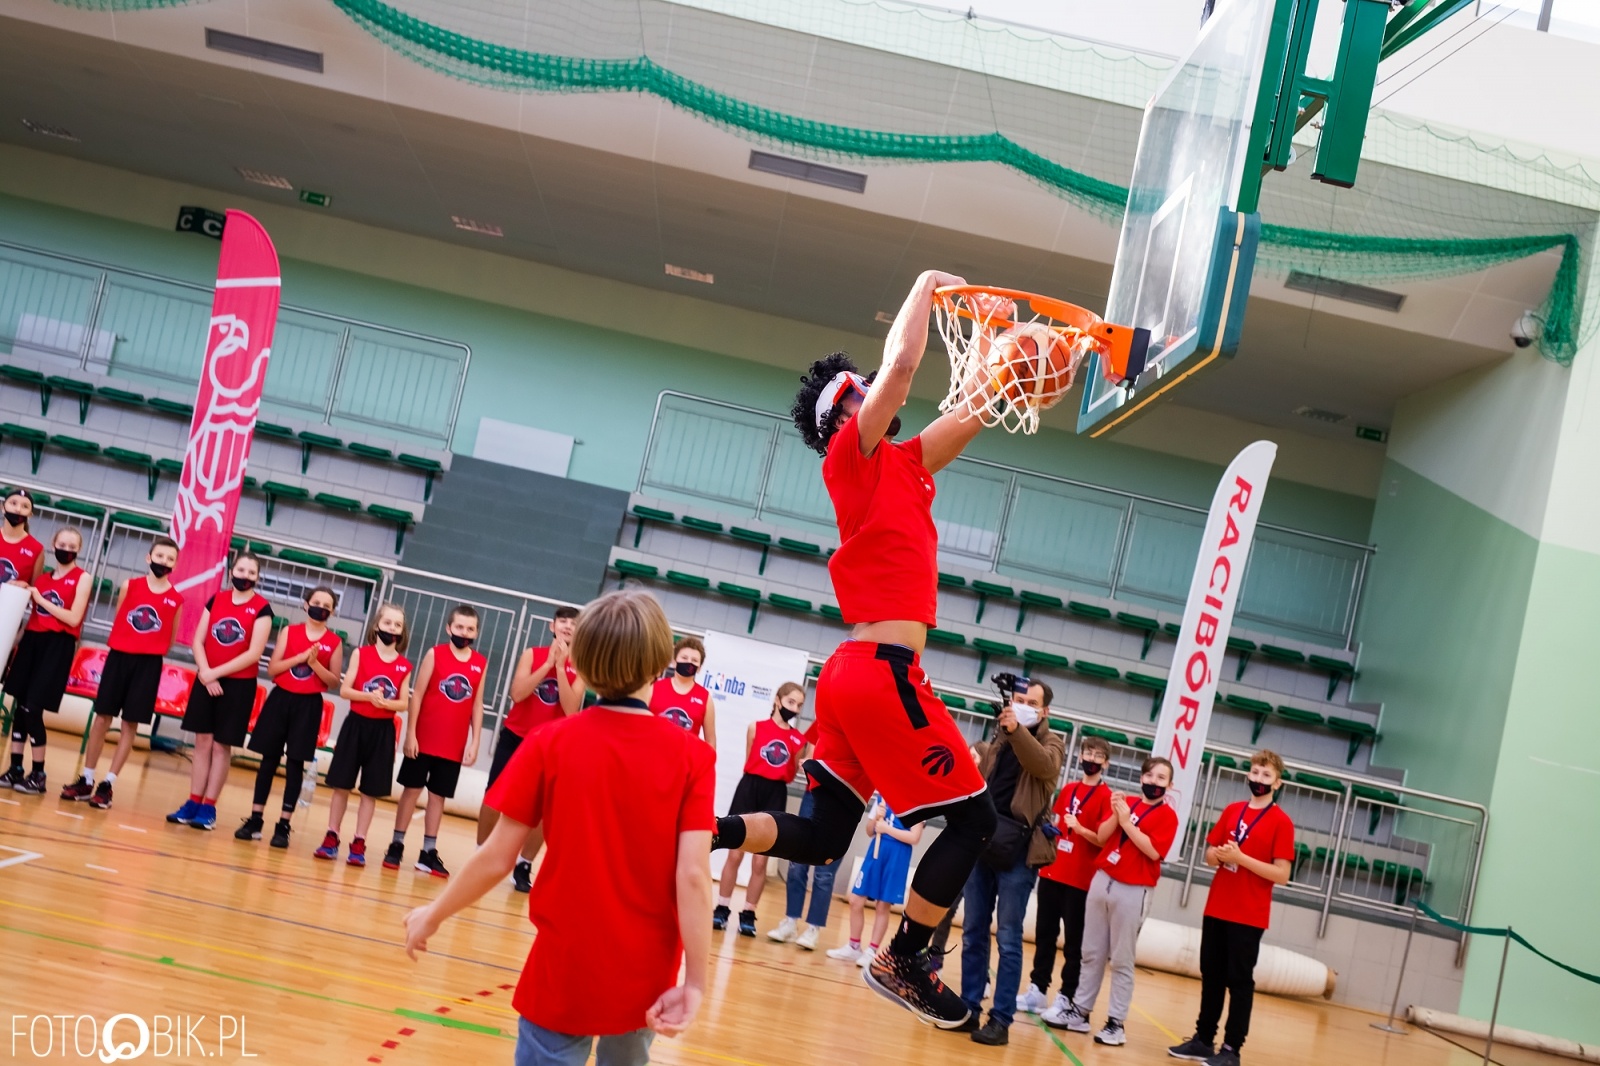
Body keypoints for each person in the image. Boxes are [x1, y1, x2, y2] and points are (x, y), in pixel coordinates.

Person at [710, 269, 999, 1029]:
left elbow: (975, 407)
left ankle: (707, 831)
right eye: (857, 392)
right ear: (843, 413)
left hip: (852, 674)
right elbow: (901, 367)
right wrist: (927, 285)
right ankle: (904, 956)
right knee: (975, 819)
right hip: (879, 673)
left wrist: (1014, 350)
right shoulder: (848, 457)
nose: (872, 392)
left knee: (822, 837)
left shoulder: (905, 465)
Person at [402, 589, 714, 1066]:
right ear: (661, 665)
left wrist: (433, 914)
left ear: (580, 664)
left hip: (565, 963)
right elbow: (692, 876)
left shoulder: (550, 742)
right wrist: (695, 982)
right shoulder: (694, 757)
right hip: (646, 971)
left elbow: (495, 857)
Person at [1168, 751, 1296, 1066]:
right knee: (1211, 975)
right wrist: (1221, 855)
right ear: (1248, 775)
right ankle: (1203, 1040)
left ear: (1277, 783)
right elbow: (1209, 855)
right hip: (1217, 907)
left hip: (1248, 914)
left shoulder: (1281, 822)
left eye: (1266, 775)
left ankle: (1231, 1050)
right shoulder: (1232, 810)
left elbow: (1282, 874)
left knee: (1239, 982)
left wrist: (1241, 859)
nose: (1259, 779)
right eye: (1255, 773)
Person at [958, 678, 1066, 1046]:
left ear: (1044, 711)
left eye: (1031, 702)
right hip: (984, 839)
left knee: (1008, 937)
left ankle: (1001, 1018)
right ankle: (969, 1007)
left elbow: (1042, 766)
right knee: (973, 929)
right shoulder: (1000, 738)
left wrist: (1016, 730)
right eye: (1018, 699)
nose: (1022, 705)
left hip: (1020, 851)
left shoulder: (1053, 743)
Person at [1057, 756, 1179, 1047]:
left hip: (1134, 889)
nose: (1154, 782)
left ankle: (1116, 1022)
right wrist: (1116, 812)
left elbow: (1153, 851)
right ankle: (1080, 1010)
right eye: (1150, 776)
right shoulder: (1128, 804)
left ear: (1170, 785)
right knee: (1091, 952)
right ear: (1141, 778)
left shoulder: (1168, 816)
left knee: (1122, 959)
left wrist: (1127, 823)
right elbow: (1102, 836)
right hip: (1103, 879)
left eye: (1161, 778)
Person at [61, 537, 184, 810]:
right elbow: (121, 618)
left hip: (148, 666)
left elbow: (171, 639)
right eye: (160, 556)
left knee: (130, 724)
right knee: (102, 718)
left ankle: (108, 784)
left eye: (170, 559)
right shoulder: (130, 586)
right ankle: (87, 778)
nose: (164, 562)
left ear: (175, 565)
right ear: (148, 558)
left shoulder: (176, 599)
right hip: (119, 658)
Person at [167, 552, 272, 831]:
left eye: (251, 572)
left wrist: (215, 673)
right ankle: (193, 802)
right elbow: (198, 641)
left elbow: (254, 654)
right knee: (202, 742)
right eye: (241, 570)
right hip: (207, 679)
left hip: (238, 685)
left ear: (257, 578)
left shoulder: (262, 609)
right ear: (231, 571)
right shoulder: (217, 599)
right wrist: (205, 672)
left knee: (220, 746)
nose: (245, 576)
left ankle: (209, 807)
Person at [482, 606, 584, 893]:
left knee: (543, 810)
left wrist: (561, 668)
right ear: (552, 626)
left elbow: (571, 710)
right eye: (562, 621)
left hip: (553, 744)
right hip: (516, 736)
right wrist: (548, 664)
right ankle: (481, 853)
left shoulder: (582, 666)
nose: (567, 626)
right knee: (493, 799)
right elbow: (517, 694)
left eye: (573, 623)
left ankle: (524, 864)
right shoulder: (532, 654)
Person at [384, 604, 486, 878]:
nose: (464, 632)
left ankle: (428, 851)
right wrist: (411, 733)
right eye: (460, 627)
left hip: (453, 744)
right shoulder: (435, 654)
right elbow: (417, 694)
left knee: (438, 796)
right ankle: (397, 843)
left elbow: (477, 704)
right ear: (448, 628)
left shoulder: (480, 662)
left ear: (476, 632)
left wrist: (475, 742)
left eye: (470, 629)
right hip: (424, 738)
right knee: (411, 790)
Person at [237, 586, 343, 847]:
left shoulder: (334, 642)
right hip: (281, 699)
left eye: (326, 605)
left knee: (295, 764)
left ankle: (283, 825)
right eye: (316, 602)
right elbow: (273, 668)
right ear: (306, 604)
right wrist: (299, 658)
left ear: (332, 612)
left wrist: (314, 663)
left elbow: (333, 682)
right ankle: (255, 819)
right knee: (268, 761)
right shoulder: (290, 631)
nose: (320, 608)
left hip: (309, 705)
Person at [316, 604, 414, 866]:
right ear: (377, 625)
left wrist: (386, 704)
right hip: (355, 726)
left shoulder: (404, 666)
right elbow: (345, 690)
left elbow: (403, 703)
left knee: (369, 792)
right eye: (388, 622)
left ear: (402, 631)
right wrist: (369, 697)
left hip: (382, 732)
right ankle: (332, 835)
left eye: (397, 624)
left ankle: (359, 841)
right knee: (341, 785)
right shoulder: (361, 653)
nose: (392, 628)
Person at [1029, 735, 1115, 1026]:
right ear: (1080, 756)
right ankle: (1038, 988)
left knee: (1074, 943)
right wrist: (1050, 830)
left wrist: (1080, 829)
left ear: (1106, 763)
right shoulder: (1068, 789)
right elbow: (1056, 822)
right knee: (1044, 933)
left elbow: (1103, 840)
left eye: (1098, 756)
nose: (1091, 759)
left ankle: (1067, 995)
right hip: (1053, 871)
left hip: (1081, 881)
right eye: (1088, 753)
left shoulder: (1106, 797)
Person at [713, 682, 808, 936]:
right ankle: (721, 908)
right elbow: (750, 760)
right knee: (734, 854)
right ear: (777, 700)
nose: (794, 708)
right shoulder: (755, 727)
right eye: (790, 702)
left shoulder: (799, 740)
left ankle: (748, 914)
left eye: (799, 705)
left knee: (760, 860)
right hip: (750, 788)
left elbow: (791, 772)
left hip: (775, 794)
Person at [2, 526, 90, 795]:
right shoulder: (42, 579)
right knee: (19, 706)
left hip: (58, 646)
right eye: (63, 544)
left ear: (79, 549)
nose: (67, 549)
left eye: (72, 546)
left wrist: (40, 598)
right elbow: (31, 618)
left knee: (33, 708)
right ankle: (16, 768)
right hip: (32, 641)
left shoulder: (82, 578)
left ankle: (39, 773)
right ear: (53, 544)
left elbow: (74, 618)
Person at [826, 794, 922, 966]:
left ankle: (872, 950)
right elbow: (870, 831)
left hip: (897, 856)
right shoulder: (883, 798)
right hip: (876, 852)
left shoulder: (916, 800)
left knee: (882, 905)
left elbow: (914, 837)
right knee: (855, 900)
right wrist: (877, 818)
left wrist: (887, 829)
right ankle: (853, 946)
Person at [767, 790, 838, 952]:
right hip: (813, 794)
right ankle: (791, 921)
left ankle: (813, 929)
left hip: (841, 802)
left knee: (824, 874)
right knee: (797, 864)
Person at [649, 636, 716, 749]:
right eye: (684, 658)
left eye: (694, 660)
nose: (689, 662)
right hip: (651, 755)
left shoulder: (705, 698)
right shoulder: (654, 687)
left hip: (686, 759)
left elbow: (711, 742)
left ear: (699, 668)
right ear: (674, 661)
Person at [0, 488, 44, 586]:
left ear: (30, 515)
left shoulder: (36, 548)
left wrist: (25, 586)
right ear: (3, 507)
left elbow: (35, 588)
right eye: (13, 503)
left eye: (25, 506)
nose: (18, 509)